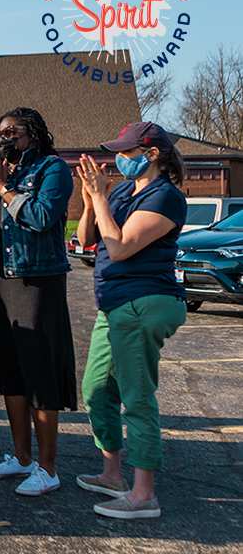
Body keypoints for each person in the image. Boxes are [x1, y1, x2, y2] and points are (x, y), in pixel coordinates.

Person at [0, 108, 76, 497]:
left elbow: (42, 217)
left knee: (39, 371)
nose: (5, 137)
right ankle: (22, 458)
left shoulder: (51, 170)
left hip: (34, 281)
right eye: (0, 130)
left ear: (34, 134)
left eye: (14, 131)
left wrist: (5, 188)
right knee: (7, 368)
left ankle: (48, 467)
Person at [75, 121, 188, 520]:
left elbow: (120, 247)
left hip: (144, 301)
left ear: (152, 153)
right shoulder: (124, 190)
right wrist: (92, 200)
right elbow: (88, 239)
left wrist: (103, 201)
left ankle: (144, 495)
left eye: (126, 152)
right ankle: (112, 475)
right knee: (95, 389)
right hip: (115, 304)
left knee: (136, 396)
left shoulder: (166, 197)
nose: (119, 159)